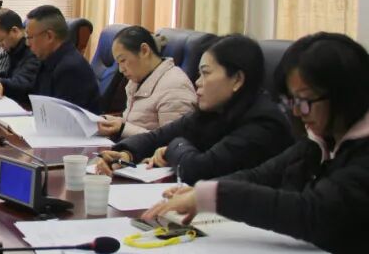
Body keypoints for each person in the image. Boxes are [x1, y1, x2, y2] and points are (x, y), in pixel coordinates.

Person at [143, 33, 369, 253]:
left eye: (304, 100)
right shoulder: (319, 142)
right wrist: (201, 192)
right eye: (291, 101)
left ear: (344, 95)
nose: (297, 112)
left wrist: (215, 196)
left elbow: (314, 212)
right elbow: (263, 175)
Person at [97, 34, 293, 184]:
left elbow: (199, 170)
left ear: (237, 79)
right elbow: (158, 136)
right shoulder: (216, 110)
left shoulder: (264, 123)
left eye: (205, 74)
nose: (197, 82)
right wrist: (125, 153)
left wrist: (174, 147)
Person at [95, 26, 196, 140]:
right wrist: (114, 122)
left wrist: (122, 128)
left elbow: (173, 143)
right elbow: (137, 122)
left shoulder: (176, 87)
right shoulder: (138, 79)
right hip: (130, 146)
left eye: (123, 60)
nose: (121, 70)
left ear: (144, 50)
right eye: (118, 63)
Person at [21, 5, 100, 112]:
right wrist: (2, 85)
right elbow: (32, 93)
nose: (27, 43)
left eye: (30, 37)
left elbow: (63, 117)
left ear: (49, 36)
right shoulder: (48, 58)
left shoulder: (70, 69)